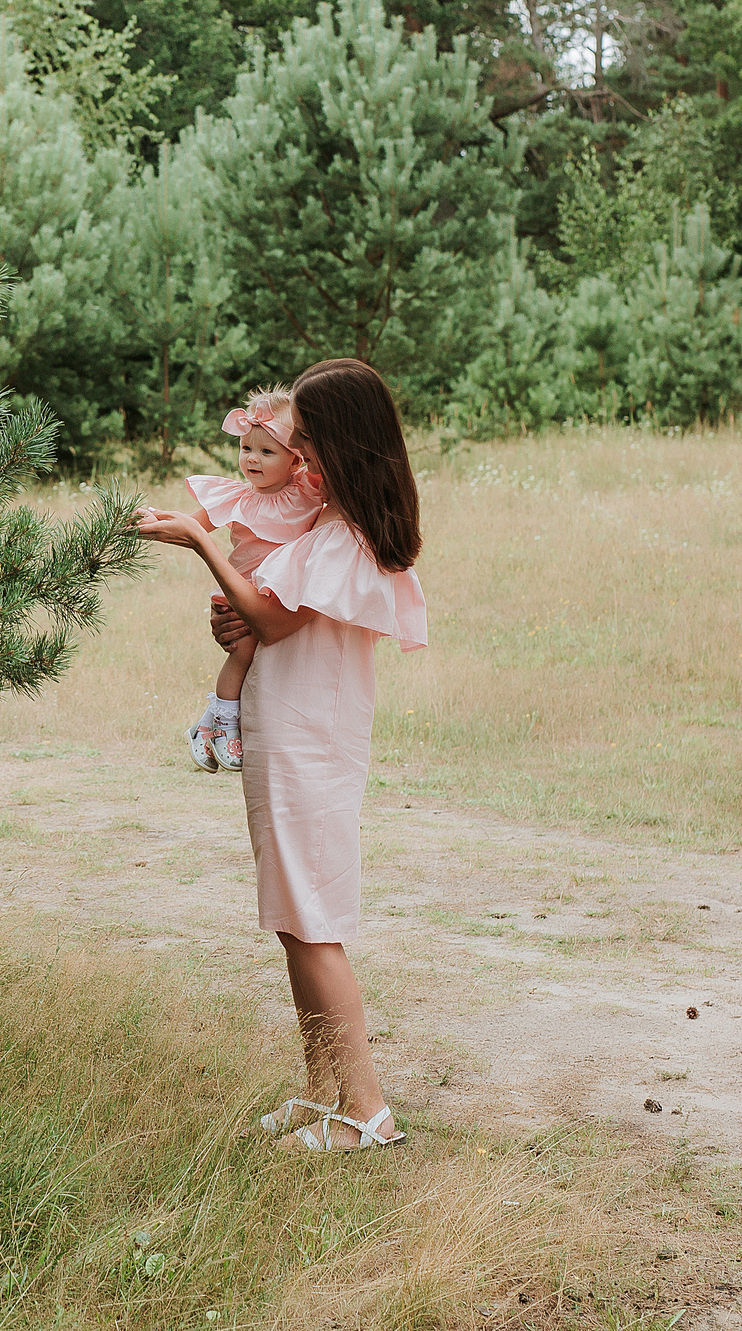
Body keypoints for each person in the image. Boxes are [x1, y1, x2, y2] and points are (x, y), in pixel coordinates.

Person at [133, 357, 428, 1151]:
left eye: (308, 440)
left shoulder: (347, 539)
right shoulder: (321, 526)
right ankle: (322, 1086)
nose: (294, 456)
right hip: (284, 726)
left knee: (313, 919)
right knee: (294, 919)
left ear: (339, 444)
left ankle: (368, 1112)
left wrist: (198, 539)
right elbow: (259, 613)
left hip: (310, 739)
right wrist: (232, 617)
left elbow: (273, 618)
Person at [179, 389, 323, 773]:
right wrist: (150, 518)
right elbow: (191, 524)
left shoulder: (307, 490)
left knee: (266, 663)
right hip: (240, 591)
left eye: (266, 451)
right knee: (242, 653)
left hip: (277, 593)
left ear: (296, 457)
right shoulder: (236, 497)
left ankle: (210, 721)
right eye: (246, 448)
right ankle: (226, 721)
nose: (252, 459)